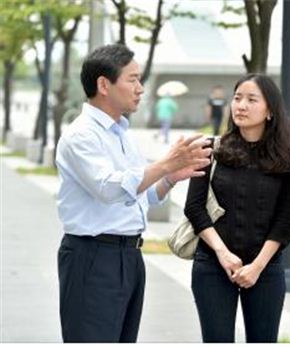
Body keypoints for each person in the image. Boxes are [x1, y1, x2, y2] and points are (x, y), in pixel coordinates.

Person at [55, 44, 212, 342]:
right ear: (104, 84)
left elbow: (140, 195)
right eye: (133, 79)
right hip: (93, 257)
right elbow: (109, 188)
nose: (140, 88)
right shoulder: (81, 135)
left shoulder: (122, 132)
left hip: (129, 256)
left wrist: (169, 177)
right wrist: (165, 163)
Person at [184, 74, 290, 342]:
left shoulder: (289, 159)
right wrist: (223, 254)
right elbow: (194, 208)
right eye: (237, 98)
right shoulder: (210, 150)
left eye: (251, 100)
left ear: (270, 110)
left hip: (265, 268)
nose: (241, 106)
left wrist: (257, 267)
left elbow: (286, 220)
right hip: (213, 265)